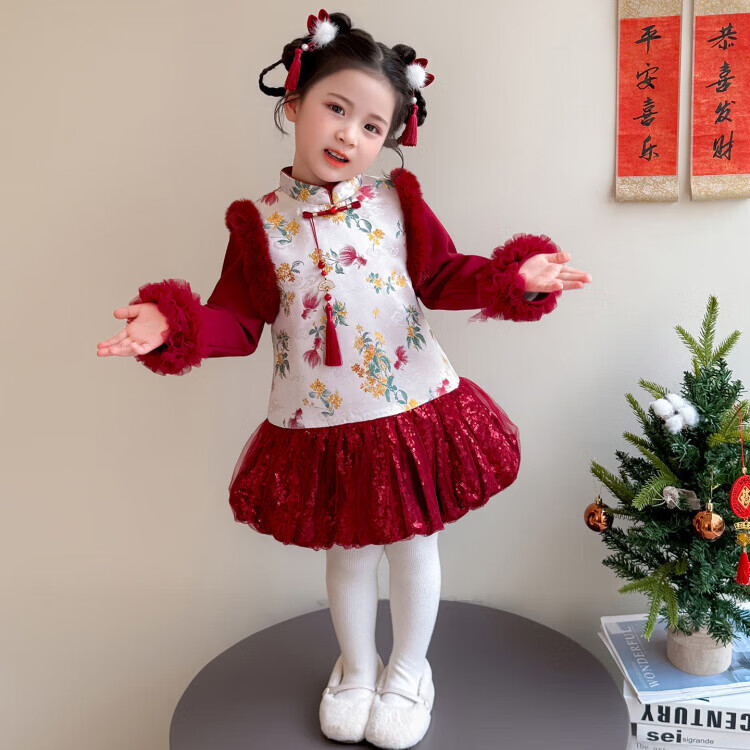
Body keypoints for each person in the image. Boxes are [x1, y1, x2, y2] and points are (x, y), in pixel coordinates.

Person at [96, 9, 591, 750]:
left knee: (414, 546)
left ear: (388, 138)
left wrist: (513, 275)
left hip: (412, 405)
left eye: (371, 126)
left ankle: (409, 671)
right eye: (336, 108)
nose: (348, 135)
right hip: (321, 423)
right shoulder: (258, 224)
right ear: (294, 103)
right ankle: (357, 668)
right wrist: (173, 323)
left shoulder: (397, 202)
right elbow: (237, 321)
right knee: (350, 553)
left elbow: (442, 276)